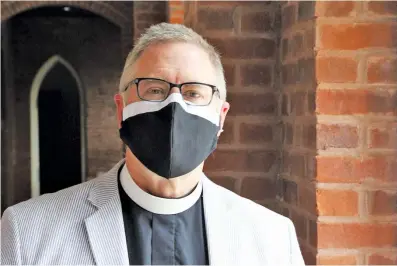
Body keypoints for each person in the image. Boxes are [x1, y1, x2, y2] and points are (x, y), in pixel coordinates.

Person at [1, 23, 304, 265]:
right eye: (155, 90)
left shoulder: (273, 238)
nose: (174, 106)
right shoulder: (28, 231)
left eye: (194, 93)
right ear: (121, 111)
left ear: (221, 117)